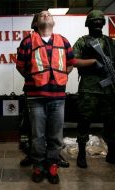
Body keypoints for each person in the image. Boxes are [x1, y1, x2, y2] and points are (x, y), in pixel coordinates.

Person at [16, 10, 76, 184]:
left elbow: (70, 64)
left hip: (58, 96)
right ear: (35, 23)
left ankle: (52, 165)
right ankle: (38, 166)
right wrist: (34, 79)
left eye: (48, 14)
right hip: (35, 98)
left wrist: (60, 77)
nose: (45, 15)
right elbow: (20, 66)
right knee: (37, 135)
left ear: (53, 22)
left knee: (56, 135)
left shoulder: (63, 41)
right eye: (41, 14)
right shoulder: (28, 42)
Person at [73, 10, 115, 168]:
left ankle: (111, 151)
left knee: (111, 122)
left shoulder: (110, 43)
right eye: (94, 22)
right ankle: (82, 153)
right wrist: (92, 62)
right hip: (89, 88)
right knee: (84, 121)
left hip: (108, 89)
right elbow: (73, 60)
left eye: (100, 22)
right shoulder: (82, 41)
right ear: (88, 25)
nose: (98, 25)